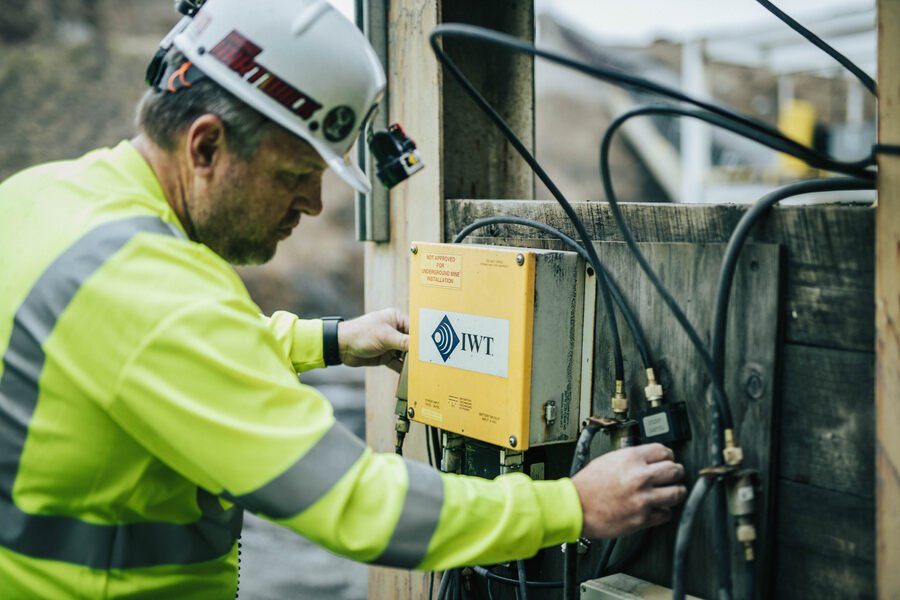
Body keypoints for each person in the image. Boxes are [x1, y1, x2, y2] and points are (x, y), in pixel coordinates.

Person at [0, 0, 686, 597]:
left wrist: (330, 340)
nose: (313, 201)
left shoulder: (40, 198)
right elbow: (355, 506)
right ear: (205, 145)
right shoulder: (155, 291)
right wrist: (572, 506)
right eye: (297, 172)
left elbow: (140, 358)